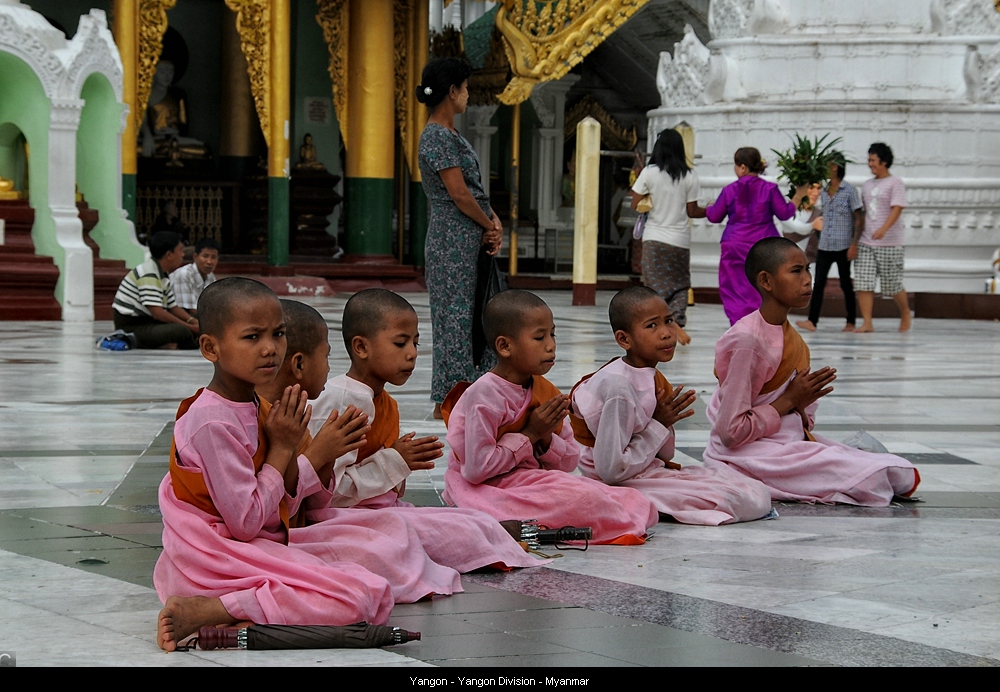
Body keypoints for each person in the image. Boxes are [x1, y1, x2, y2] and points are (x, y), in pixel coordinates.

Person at [155, 278, 394, 652]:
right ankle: (216, 607)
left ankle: (237, 606)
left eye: (278, 334)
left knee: (375, 588)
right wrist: (283, 449)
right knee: (353, 600)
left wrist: (324, 457)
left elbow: (288, 507)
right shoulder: (213, 422)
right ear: (210, 347)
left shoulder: (259, 407)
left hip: (252, 546)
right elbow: (247, 522)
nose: (270, 349)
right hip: (214, 557)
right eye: (252, 337)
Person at [253, 295, 541, 601]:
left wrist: (398, 462)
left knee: (471, 521)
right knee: (427, 537)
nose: (413, 354)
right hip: (336, 517)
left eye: (415, 343)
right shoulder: (341, 400)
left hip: (367, 512)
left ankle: (496, 537)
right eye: (401, 343)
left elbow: (325, 484)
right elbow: (327, 498)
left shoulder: (381, 401)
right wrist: (394, 461)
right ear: (362, 347)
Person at [701, 238, 920, 506]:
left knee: (896, 471)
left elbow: (803, 423)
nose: (807, 280)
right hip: (744, 454)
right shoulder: (748, 341)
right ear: (766, 281)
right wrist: (789, 401)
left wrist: (801, 403)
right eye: (796, 271)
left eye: (808, 270)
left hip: (782, 444)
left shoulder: (793, 339)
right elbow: (730, 432)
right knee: (873, 478)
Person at [442, 290, 658, 545]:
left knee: (630, 500)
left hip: (530, 482)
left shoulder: (544, 390)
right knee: (587, 500)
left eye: (552, 334)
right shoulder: (484, 396)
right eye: (539, 337)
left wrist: (544, 438)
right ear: (505, 346)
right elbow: (477, 470)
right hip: (486, 488)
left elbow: (568, 462)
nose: (551, 345)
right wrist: (529, 435)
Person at [569, 287, 773, 525]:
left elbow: (666, 454)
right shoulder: (618, 388)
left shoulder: (649, 376)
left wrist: (664, 420)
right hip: (615, 478)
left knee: (752, 489)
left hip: (640, 468)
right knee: (735, 499)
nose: (666, 333)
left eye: (668, 321)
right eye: (652, 326)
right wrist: (659, 423)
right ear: (624, 339)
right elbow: (610, 470)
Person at [417, 57, 502, 419]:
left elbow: (475, 191)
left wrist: (492, 222)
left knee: (475, 315)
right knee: (453, 319)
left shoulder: (451, 134)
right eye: (465, 88)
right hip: (451, 242)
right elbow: (459, 194)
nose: (467, 95)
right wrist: (487, 224)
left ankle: (473, 389)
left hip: (468, 238)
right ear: (452, 91)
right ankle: (448, 399)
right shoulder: (435, 136)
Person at [706, 148, 809, 326]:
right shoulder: (769, 189)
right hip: (763, 245)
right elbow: (784, 213)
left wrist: (709, 207)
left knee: (735, 286)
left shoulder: (729, 190)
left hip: (735, 243)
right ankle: (763, 323)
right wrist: (798, 196)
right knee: (763, 285)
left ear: (743, 167)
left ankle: (740, 324)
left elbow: (714, 216)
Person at [630, 129, 705, 346]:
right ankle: (676, 322)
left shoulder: (649, 172)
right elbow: (693, 211)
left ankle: (660, 327)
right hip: (679, 241)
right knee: (680, 285)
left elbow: (635, 203)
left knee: (654, 287)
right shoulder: (690, 176)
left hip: (654, 239)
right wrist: (711, 210)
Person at [796, 156, 862, 333]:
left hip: (843, 245)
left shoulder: (849, 190)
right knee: (818, 283)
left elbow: (858, 218)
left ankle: (851, 322)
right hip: (825, 244)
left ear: (834, 167)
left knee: (846, 284)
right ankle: (812, 321)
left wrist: (854, 244)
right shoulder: (824, 190)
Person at [854, 142, 911, 332]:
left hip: (890, 243)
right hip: (866, 242)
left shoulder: (895, 183)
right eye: (869, 160)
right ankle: (867, 322)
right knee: (863, 282)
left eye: (873, 160)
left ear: (884, 162)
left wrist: (884, 229)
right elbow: (862, 213)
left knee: (892, 283)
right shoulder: (867, 185)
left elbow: (897, 208)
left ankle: (905, 312)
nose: (870, 164)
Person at [112, 231, 199, 349]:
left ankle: (184, 340)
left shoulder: (162, 274)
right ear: (169, 255)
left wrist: (192, 320)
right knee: (181, 331)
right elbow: (158, 313)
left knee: (200, 318)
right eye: (180, 251)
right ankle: (192, 340)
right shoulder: (148, 273)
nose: (183, 255)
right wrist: (190, 327)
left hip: (150, 322)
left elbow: (172, 307)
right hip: (133, 327)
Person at [169, 237, 219, 317]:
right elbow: (189, 309)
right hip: (183, 318)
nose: (209, 262)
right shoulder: (183, 274)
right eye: (205, 256)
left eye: (213, 257)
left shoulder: (210, 276)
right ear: (195, 257)